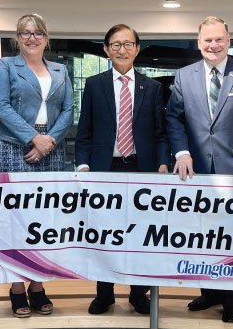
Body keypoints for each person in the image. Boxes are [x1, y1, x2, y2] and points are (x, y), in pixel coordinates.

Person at [166, 16, 233, 323]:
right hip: (195, 172)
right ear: (199, 43)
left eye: (219, 39)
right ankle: (207, 292)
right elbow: (173, 118)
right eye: (207, 40)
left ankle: (231, 301)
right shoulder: (184, 76)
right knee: (201, 235)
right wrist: (182, 151)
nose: (213, 45)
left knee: (232, 236)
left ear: (228, 41)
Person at [75, 24, 171, 316]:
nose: (122, 50)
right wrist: (83, 164)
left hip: (142, 169)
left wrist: (164, 162)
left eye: (128, 44)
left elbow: (160, 133)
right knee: (103, 234)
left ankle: (138, 294)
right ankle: (104, 294)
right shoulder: (94, 84)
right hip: (105, 169)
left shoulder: (152, 87)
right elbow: (84, 131)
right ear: (106, 50)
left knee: (140, 234)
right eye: (115, 45)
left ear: (137, 49)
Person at [0, 13, 74, 318]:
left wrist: (48, 140)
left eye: (37, 32)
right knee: (16, 220)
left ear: (46, 37)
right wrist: (32, 139)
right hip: (13, 148)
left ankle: (37, 284)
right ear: (17, 38)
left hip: (52, 150)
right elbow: (0, 106)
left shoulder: (60, 69)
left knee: (43, 221)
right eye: (25, 33)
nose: (32, 38)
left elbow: (68, 110)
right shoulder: (5, 67)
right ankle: (16, 287)